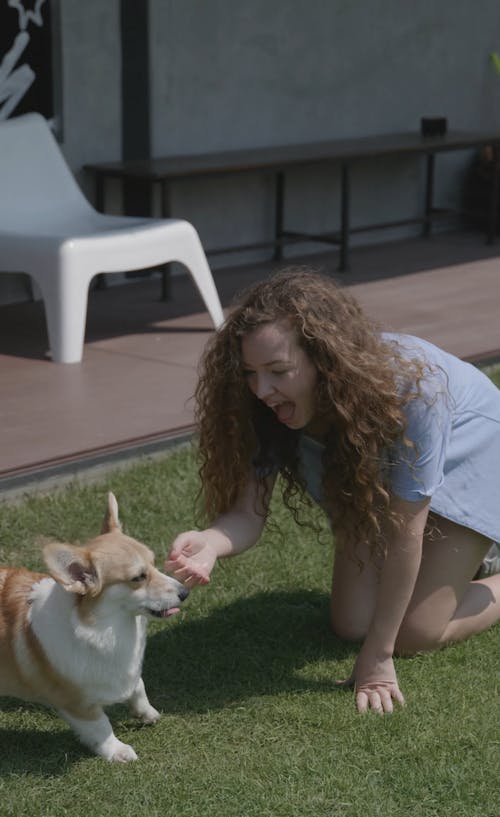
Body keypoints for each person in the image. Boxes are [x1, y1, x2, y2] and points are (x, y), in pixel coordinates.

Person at [165, 267, 500, 714]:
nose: (261, 389)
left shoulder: (418, 391)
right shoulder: (266, 405)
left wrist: (379, 657)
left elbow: (405, 533)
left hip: (473, 458)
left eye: (278, 371)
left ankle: (484, 552)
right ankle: (467, 561)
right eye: (249, 372)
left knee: (414, 634)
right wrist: (209, 543)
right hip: (382, 477)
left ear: (325, 360)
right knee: (350, 623)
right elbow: (247, 515)